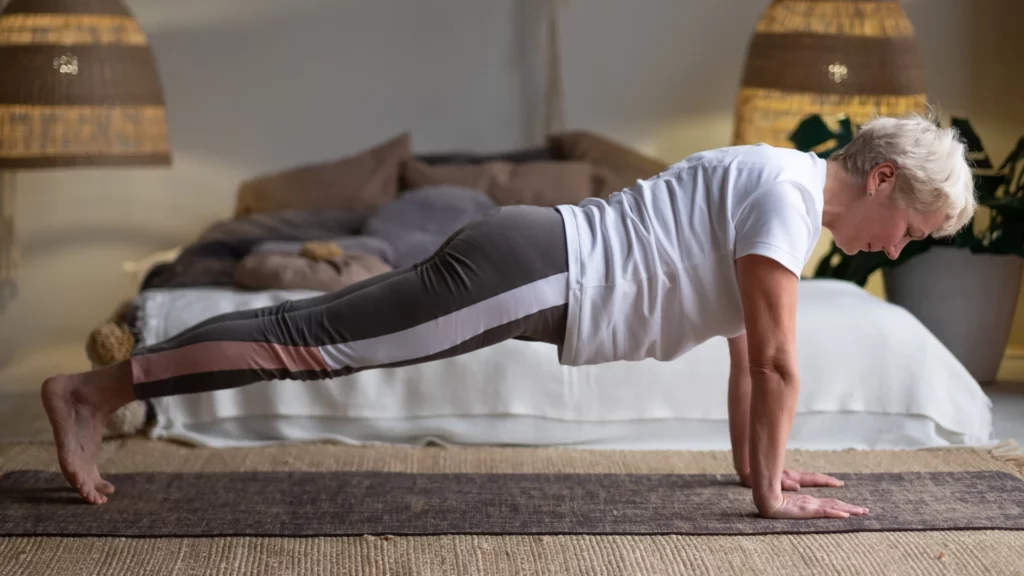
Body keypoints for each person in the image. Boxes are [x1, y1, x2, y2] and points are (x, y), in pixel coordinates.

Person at [42, 114, 976, 519]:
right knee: (310, 344)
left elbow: (744, 356)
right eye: (909, 230)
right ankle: (93, 392)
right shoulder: (785, 197)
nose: (896, 252)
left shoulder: (783, 192)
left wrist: (757, 472)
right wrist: (772, 496)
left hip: (533, 261)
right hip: (538, 270)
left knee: (314, 334)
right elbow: (777, 364)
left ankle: (99, 390)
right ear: (883, 177)